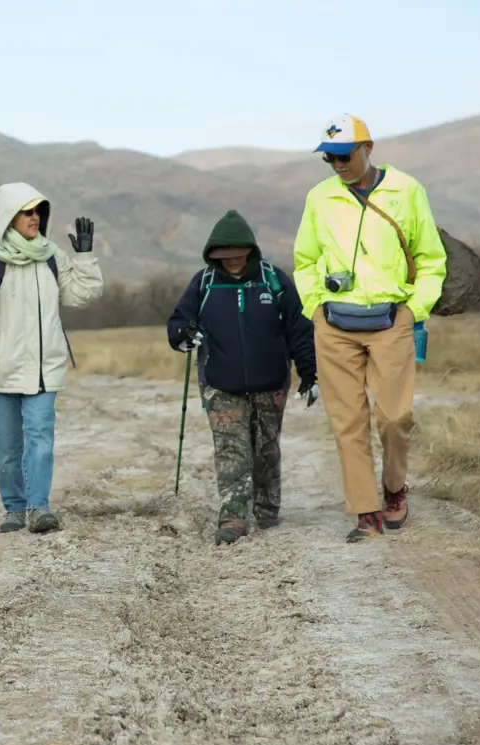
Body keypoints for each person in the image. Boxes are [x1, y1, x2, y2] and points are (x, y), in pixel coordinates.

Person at [292, 114, 447, 543]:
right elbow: (304, 261)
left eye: (345, 156)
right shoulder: (319, 198)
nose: (338, 166)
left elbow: (431, 259)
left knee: (395, 417)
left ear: (368, 148)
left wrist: (414, 309)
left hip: (391, 320)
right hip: (335, 324)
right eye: (329, 159)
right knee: (347, 421)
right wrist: (314, 308)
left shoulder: (406, 190)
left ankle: (394, 487)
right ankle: (366, 510)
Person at [0, 182, 104, 534]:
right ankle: (14, 507)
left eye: (39, 210)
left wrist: (84, 258)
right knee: (8, 447)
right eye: (27, 211)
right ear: (9, 215)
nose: (35, 217)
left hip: (43, 368)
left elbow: (81, 295)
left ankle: (39, 507)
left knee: (40, 439)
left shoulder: (52, 256)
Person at [167, 209, 316, 545]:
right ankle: (233, 517)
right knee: (231, 450)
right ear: (213, 255)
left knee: (265, 449)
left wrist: (310, 373)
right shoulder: (203, 283)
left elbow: (299, 329)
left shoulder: (273, 280)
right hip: (220, 384)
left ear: (250, 250)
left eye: (237, 255)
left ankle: (266, 508)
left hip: (271, 382)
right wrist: (183, 335)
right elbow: (178, 323)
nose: (232, 262)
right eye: (224, 256)